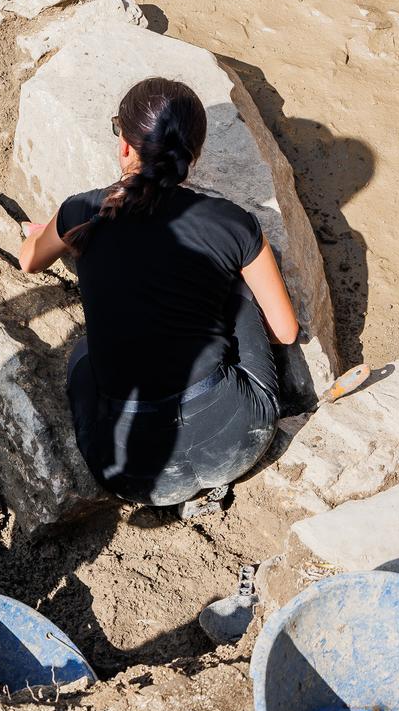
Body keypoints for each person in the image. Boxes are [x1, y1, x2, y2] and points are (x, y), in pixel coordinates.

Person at [17, 77, 300, 517]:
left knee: (84, 354)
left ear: (125, 147)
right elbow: (285, 331)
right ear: (195, 155)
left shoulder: (82, 212)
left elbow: (28, 261)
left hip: (131, 474)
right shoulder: (235, 224)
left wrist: (55, 236)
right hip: (239, 439)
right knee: (237, 290)